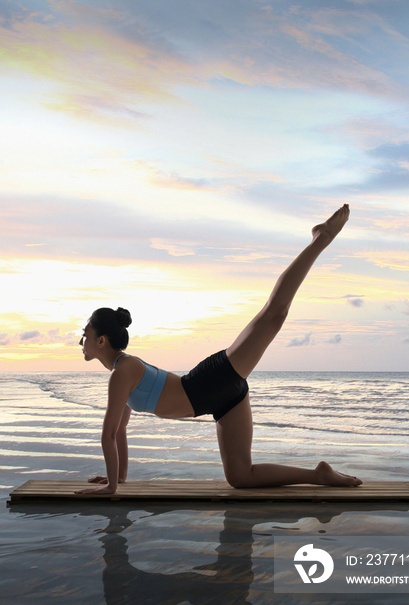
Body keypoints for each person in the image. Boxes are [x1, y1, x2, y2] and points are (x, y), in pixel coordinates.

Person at [75, 204, 362, 495]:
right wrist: (118, 478)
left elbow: (107, 434)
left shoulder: (122, 371)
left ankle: (320, 239)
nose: (80, 342)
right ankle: (319, 475)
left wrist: (111, 489)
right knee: (240, 477)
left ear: (101, 341)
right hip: (219, 402)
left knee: (274, 315)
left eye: (84, 335)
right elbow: (119, 431)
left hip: (211, 381)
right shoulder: (122, 371)